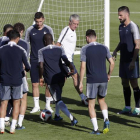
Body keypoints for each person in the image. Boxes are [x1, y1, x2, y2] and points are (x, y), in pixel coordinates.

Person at [79, 29, 114, 135]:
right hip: (103, 79)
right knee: (102, 100)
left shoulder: (85, 49)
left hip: (92, 80)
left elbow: (83, 67)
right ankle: (106, 119)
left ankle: (96, 129)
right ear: (96, 37)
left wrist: (80, 82)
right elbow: (112, 63)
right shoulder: (104, 47)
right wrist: (108, 74)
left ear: (87, 38)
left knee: (91, 105)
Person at [38, 33, 78, 126]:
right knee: (58, 95)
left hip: (51, 79)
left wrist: (40, 77)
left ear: (44, 42)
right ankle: (57, 115)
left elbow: (41, 66)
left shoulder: (41, 51)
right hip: (61, 76)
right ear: (52, 40)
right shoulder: (60, 48)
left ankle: (72, 118)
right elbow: (66, 60)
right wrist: (72, 68)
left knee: (58, 99)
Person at [0, 30, 30, 134]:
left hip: (4, 80)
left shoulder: (1, 49)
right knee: (16, 103)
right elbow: (28, 67)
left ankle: (1, 127)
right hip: (17, 80)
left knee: (3, 103)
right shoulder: (21, 50)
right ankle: (13, 127)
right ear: (17, 38)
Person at [112, 6, 140, 115]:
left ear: (126, 15)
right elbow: (122, 41)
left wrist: (133, 61)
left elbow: (137, 44)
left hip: (131, 60)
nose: (119, 17)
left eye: (120, 15)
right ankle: (127, 107)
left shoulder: (133, 26)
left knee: (134, 83)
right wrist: (115, 50)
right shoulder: (120, 27)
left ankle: (138, 108)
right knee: (124, 82)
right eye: (118, 15)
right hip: (123, 59)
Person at [25, 12, 54, 113]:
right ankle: (36, 106)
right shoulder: (30, 30)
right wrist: (26, 59)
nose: (39, 23)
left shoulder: (48, 29)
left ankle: (47, 105)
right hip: (34, 60)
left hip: (46, 61)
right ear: (35, 20)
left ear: (43, 20)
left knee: (48, 83)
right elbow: (26, 45)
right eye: (37, 22)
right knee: (34, 83)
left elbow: (52, 44)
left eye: (40, 21)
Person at [56, 14, 88, 105]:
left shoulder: (73, 31)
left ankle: (54, 97)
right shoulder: (66, 30)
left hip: (69, 60)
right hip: (65, 61)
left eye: (77, 24)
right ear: (70, 22)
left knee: (62, 80)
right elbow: (58, 43)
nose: (76, 26)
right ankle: (83, 98)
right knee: (76, 77)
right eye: (74, 23)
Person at [13, 22, 30, 129]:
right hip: (20, 74)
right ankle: (19, 123)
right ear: (22, 32)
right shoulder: (24, 44)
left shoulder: (6, 42)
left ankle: (5, 119)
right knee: (23, 98)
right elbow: (25, 63)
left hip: (7, 74)